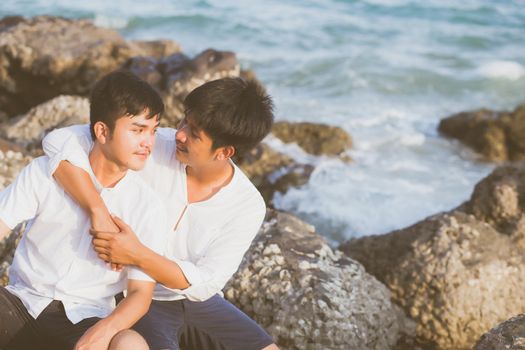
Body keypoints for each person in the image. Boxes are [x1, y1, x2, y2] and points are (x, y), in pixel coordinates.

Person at [42, 77, 280, 350]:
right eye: (184, 121)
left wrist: (136, 253)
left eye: (194, 133)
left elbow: (205, 283)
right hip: (133, 294)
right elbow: (57, 142)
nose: (179, 134)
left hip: (194, 304)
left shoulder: (247, 204)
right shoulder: (151, 146)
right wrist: (97, 209)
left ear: (224, 152)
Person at [0, 70, 168, 350]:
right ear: (102, 131)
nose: (148, 142)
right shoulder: (45, 172)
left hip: (87, 318)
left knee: (131, 344)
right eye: (137, 130)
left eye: (153, 131)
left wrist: (105, 330)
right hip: (23, 303)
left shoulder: (147, 206)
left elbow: (140, 293)